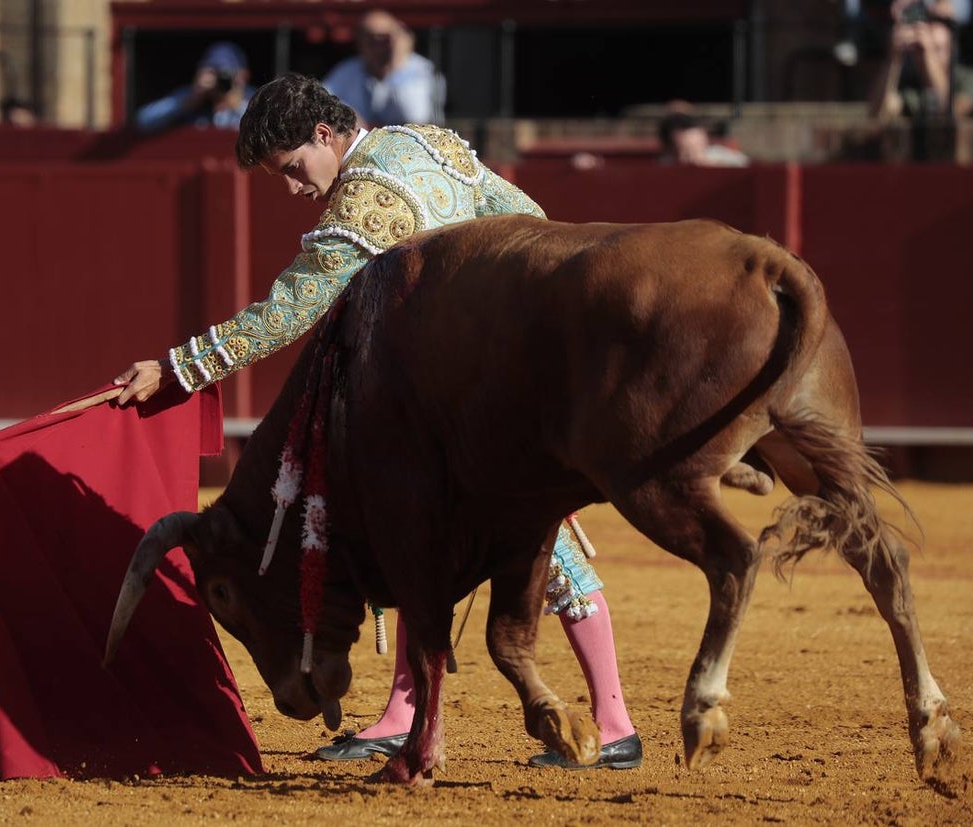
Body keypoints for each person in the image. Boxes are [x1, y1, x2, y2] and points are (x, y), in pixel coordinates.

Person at [113, 72, 641, 771]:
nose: (296, 188)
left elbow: (289, 310)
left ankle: (610, 719)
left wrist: (179, 367)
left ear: (326, 135)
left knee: (494, 537)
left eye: (296, 168)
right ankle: (428, 711)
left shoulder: (366, 198)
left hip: (452, 397)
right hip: (483, 380)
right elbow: (529, 218)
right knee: (457, 538)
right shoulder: (419, 143)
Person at [867, 0, 973, 119]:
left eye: (938, 48)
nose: (932, 56)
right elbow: (877, 113)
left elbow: (950, 112)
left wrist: (929, 54)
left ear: (953, 50)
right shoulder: (911, 83)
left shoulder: (968, 78)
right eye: (923, 48)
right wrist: (894, 58)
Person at [322, 9, 444, 128]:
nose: (377, 45)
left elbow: (415, 117)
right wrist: (349, 115)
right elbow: (322, 100)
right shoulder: (349, 69)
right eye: (369, 38)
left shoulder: (421, 69)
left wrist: (395, 66)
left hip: (410, 144)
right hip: (363, 144)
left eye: (383, 38)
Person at [134, 41, 255, 134]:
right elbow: (143, 121)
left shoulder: (256, 101)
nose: (220, 82)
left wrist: (237, 106)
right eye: (214, 74)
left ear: (243, 76)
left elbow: (269, 127)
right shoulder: (192, 98)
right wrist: (190, 100)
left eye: (225, 75)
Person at [657, 110, 750, 167]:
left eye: (697, 150)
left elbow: (748, 167)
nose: (693, 160)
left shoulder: (722, 157)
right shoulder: (665, 165)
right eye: (685, 152)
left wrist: (713, 166)